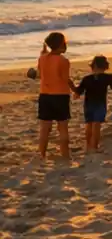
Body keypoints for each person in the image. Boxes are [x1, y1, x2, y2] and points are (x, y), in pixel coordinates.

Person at [37, 31, 73, 160]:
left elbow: (40, 74)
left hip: (45, 95)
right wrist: (74, 88)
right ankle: (65, 154)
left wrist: (44, 53)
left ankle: (41, 154)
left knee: (45, 128)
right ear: (61, 44)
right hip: (60, 95)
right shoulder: (63, 60)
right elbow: (65, 79)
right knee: (62, 127)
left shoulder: (42, 58)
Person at [74, 55, 112, 155]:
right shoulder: (108, 77)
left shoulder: (86, 79)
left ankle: (88, 145)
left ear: (93, 66)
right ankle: (95, 146)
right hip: (100, 104)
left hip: (88, 104)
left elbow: (78, 92)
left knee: (89, 124)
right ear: (105, 66)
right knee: (96, 125)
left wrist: (72, 88)